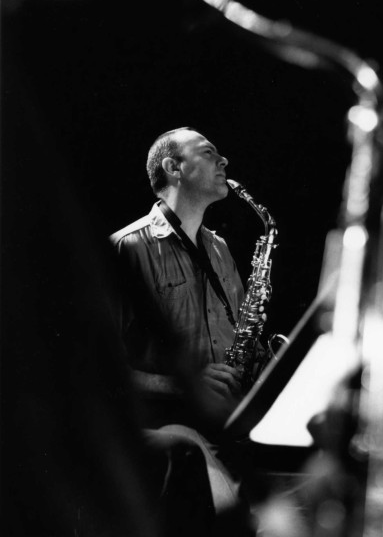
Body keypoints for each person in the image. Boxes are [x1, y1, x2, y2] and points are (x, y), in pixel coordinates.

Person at [110, 127, 255, 529]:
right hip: (167, 427)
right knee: (230, 519)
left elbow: (239, 336)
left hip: (223, 425)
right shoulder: (127, 248)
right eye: (209, 153)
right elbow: (96, 368)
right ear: (174, 168)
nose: (223, 161)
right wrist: (185, 383)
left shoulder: (220, 249)